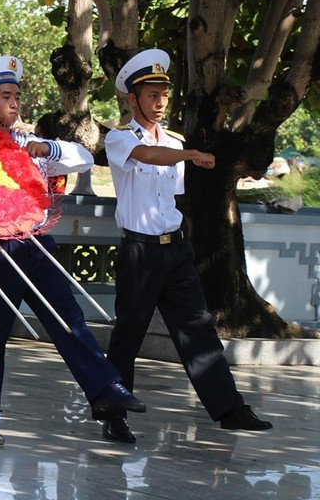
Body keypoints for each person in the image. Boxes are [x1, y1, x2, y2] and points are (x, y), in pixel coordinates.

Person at [0, 56, 146, 446]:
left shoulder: (29, 143)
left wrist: (46, 146)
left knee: (70, 322)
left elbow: (82, 158)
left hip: (37, 245)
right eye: (5, 96)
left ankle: (106, 392)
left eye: (16, 96)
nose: (14, 103)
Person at [102, 48, 272, 442]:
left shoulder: (174, 141)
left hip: (175, 251)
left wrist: (186, 152)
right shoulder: (120, 138)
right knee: (128, 334)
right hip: (140, 251)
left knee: (198, 329)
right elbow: (149, 156)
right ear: (132, 100)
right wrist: (192, 153)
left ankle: (229, 409)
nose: (160, 103)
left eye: (164, 95)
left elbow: (171, 194)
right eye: (151, 96)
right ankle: (113, 412)